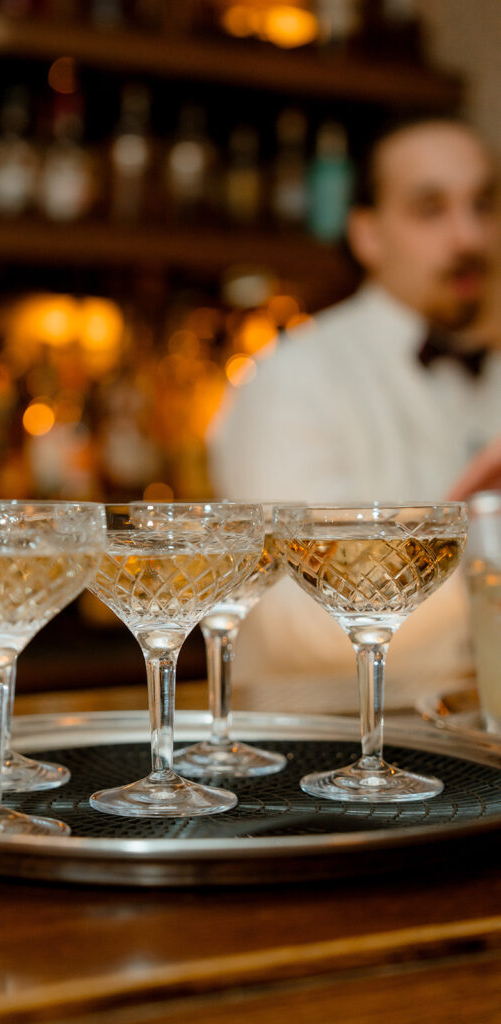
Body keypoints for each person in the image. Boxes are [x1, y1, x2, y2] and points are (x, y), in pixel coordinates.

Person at [209, 117, 501, 711]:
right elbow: (297, 622)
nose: (468, 236)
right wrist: (481, 551)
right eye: (430, 209)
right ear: (367, 235)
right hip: (325, 761)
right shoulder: (294, 377)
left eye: (484, 206)